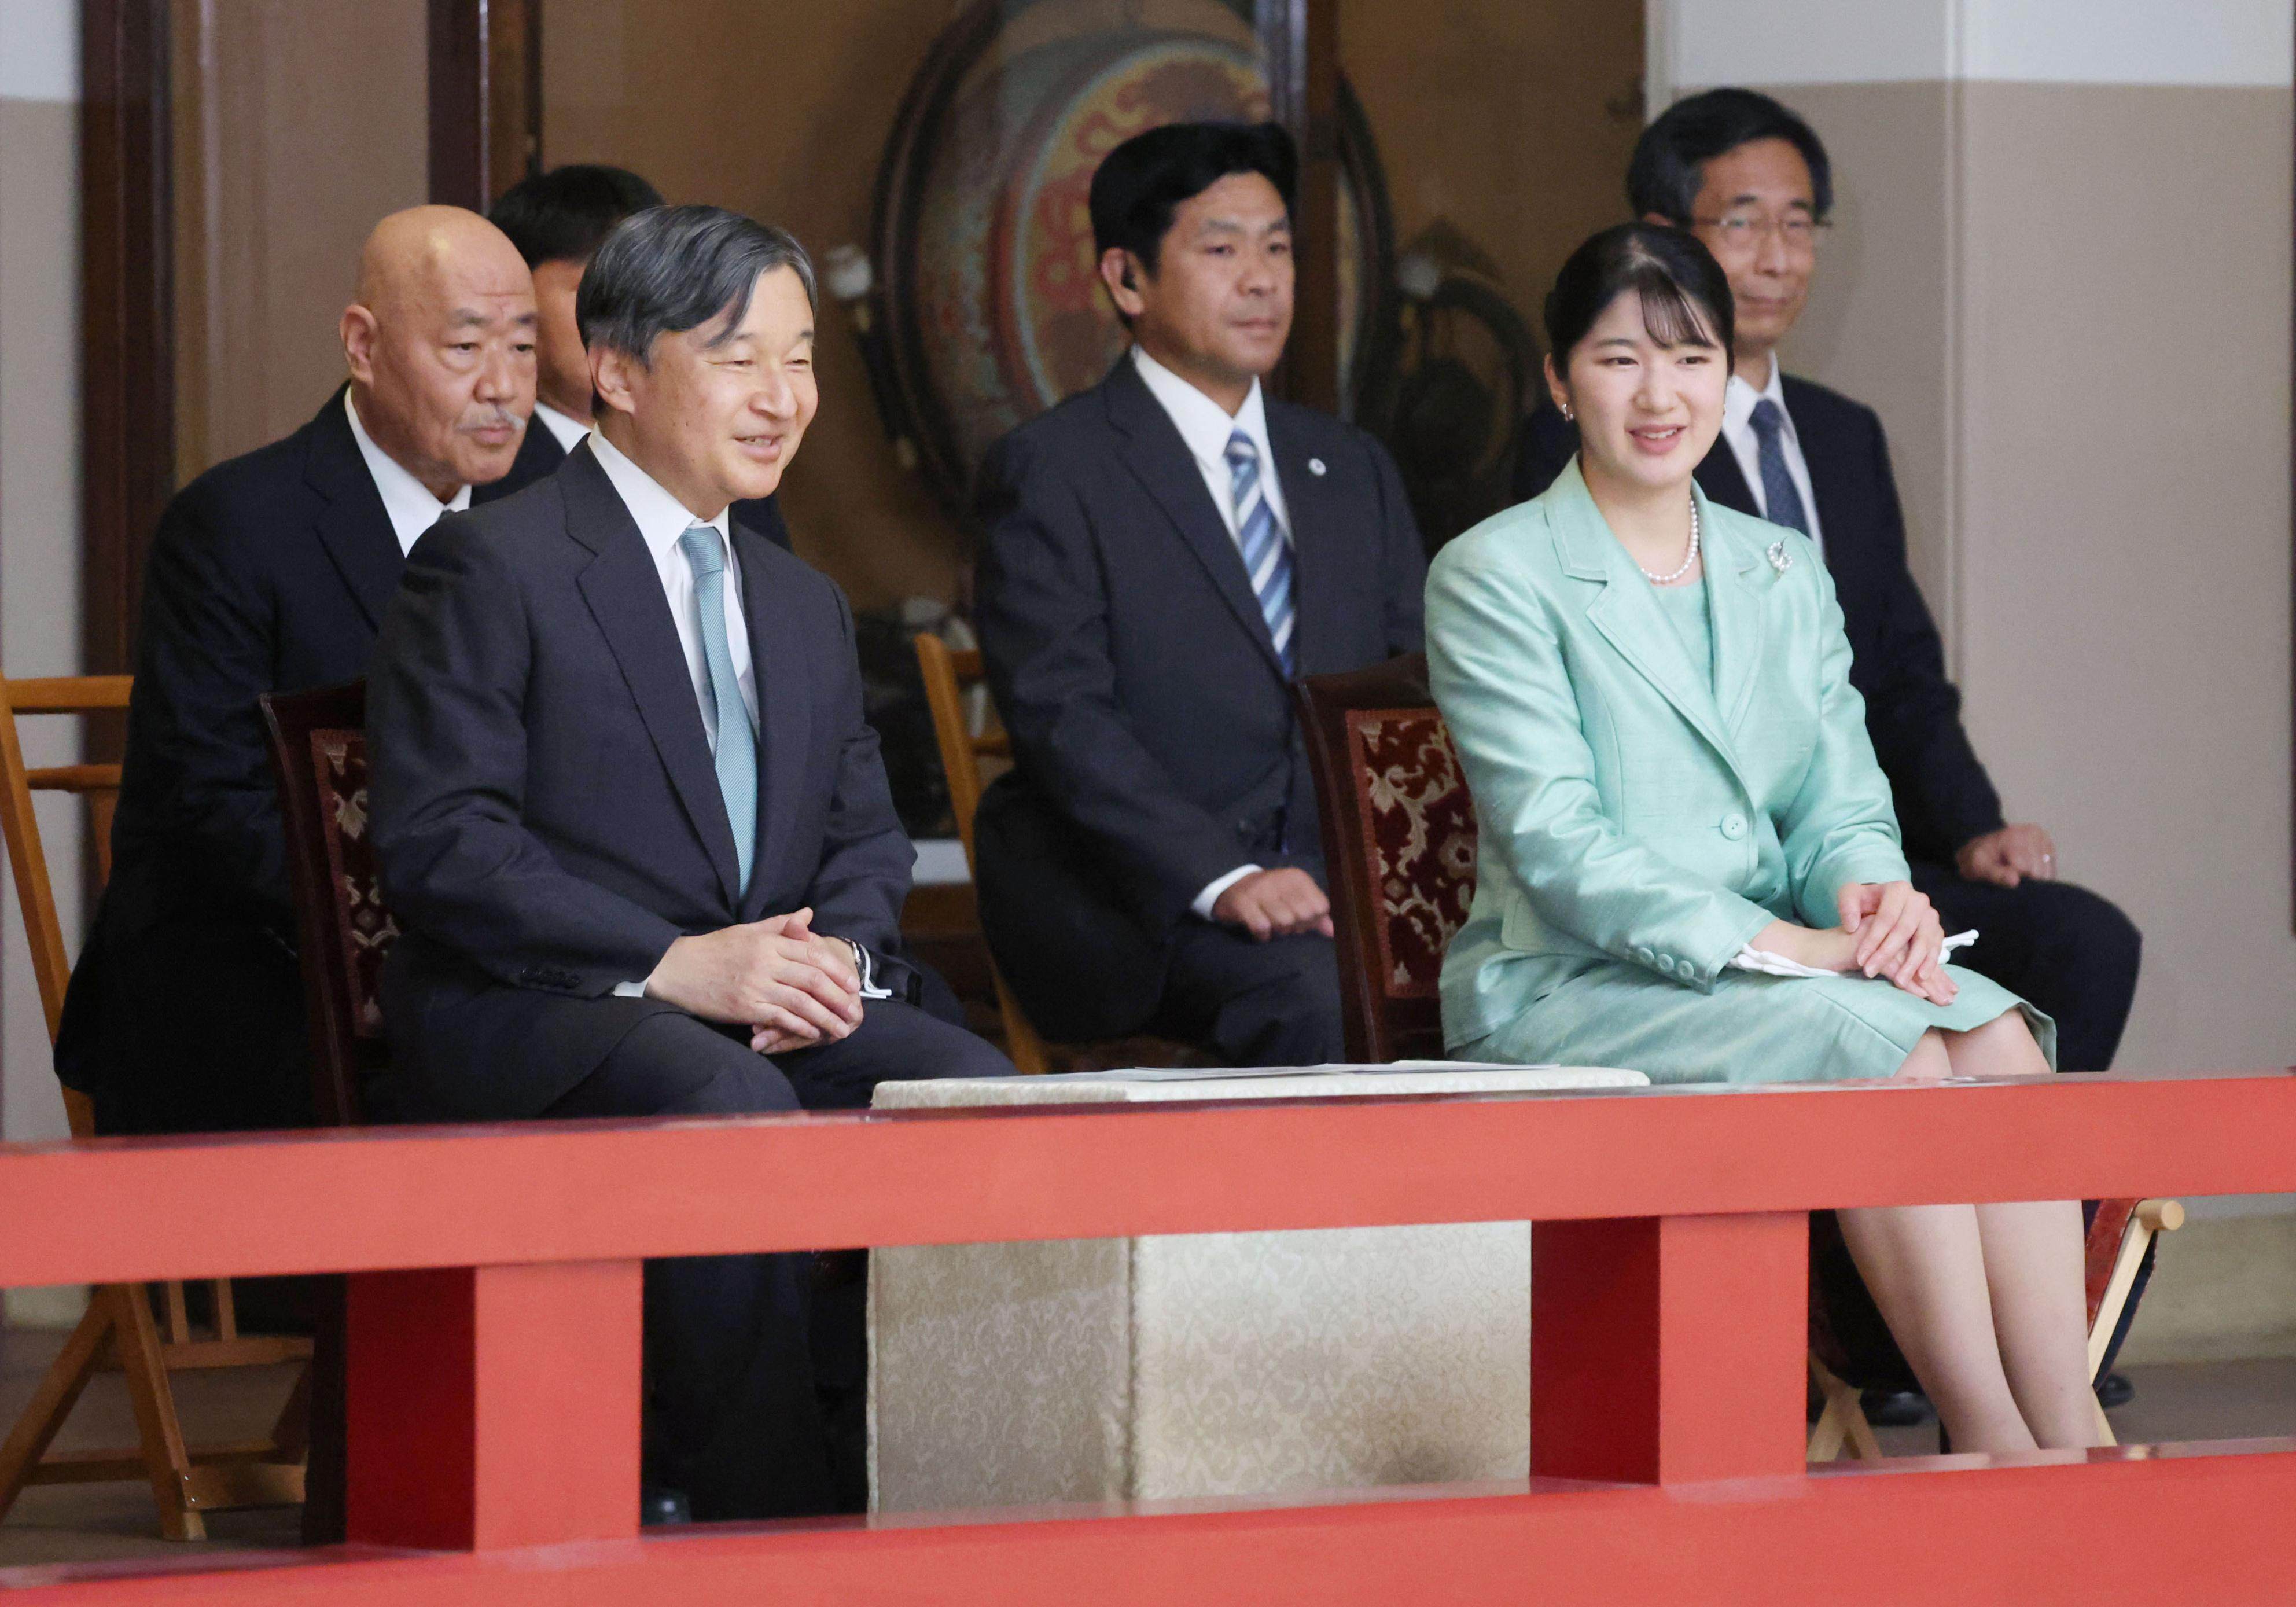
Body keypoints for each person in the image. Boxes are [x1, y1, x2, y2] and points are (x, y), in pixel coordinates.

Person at [367, 205, 1011, 1520]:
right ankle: (756, 1511)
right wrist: (675, 964)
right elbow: (444, 845)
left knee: (974, 1090)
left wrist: (831, 954)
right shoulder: (490, 565)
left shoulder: (801, 599)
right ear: (614, 367)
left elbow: (864, 835)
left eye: (801, 358)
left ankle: (944, 1485)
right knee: (723, 1103)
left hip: (762, 1002)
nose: (783, 399)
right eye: (737, 358)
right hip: (548, 1005)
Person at [1433, 222, 2099, 1457]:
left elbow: (1839, 796)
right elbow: (1561, 845)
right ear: (1555, 377)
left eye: (1689, 358)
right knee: (1891, 1046)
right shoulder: (1494, 573)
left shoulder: (1781, 565)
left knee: (1992, 1025)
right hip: (1571, 984)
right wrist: (1795, 948)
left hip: (1783, 971)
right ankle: (1992, 1441)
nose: (1658, 394)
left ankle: (2069, 1436)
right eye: (1618, 359)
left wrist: (1873, 902)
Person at [1513, 89, 2140, 1078]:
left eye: (1797, 223)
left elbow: (1896, 669)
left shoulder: (1843, 433)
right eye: (1741, 222)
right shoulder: (1600, 446)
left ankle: (2031, 1225)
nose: (1774, 256)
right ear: (1660, 236)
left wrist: (1969, 828)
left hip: (1836, 855)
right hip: (1689, 887)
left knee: (2080, 943)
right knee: (1900, 1032)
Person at [57, 205, 544, 1137]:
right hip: (258, 966)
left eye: (523, 351)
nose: (504, 390)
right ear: (362, 346)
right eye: (464, 348)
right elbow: (215, 809)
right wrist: (442, 924)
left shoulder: (547, 508)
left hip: (488, 961)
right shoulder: (239, 525)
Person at [972, 122, 1426, 1065]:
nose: (1261, 279)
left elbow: (1414, 690)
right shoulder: (1054, 470)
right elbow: (1064, 720)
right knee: (1323, 1001)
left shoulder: (1349, 467)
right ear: (1125, 280)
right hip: (1148, 902)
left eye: (1277, 248)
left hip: (1344, 891)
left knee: (1523, 985)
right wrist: (1223, 876)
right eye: (1221, 249)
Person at [487, 163, 794, 553]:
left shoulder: (725, 460)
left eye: (657, 294)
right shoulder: (488, 466)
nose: (636, 317)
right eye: (595, 290)